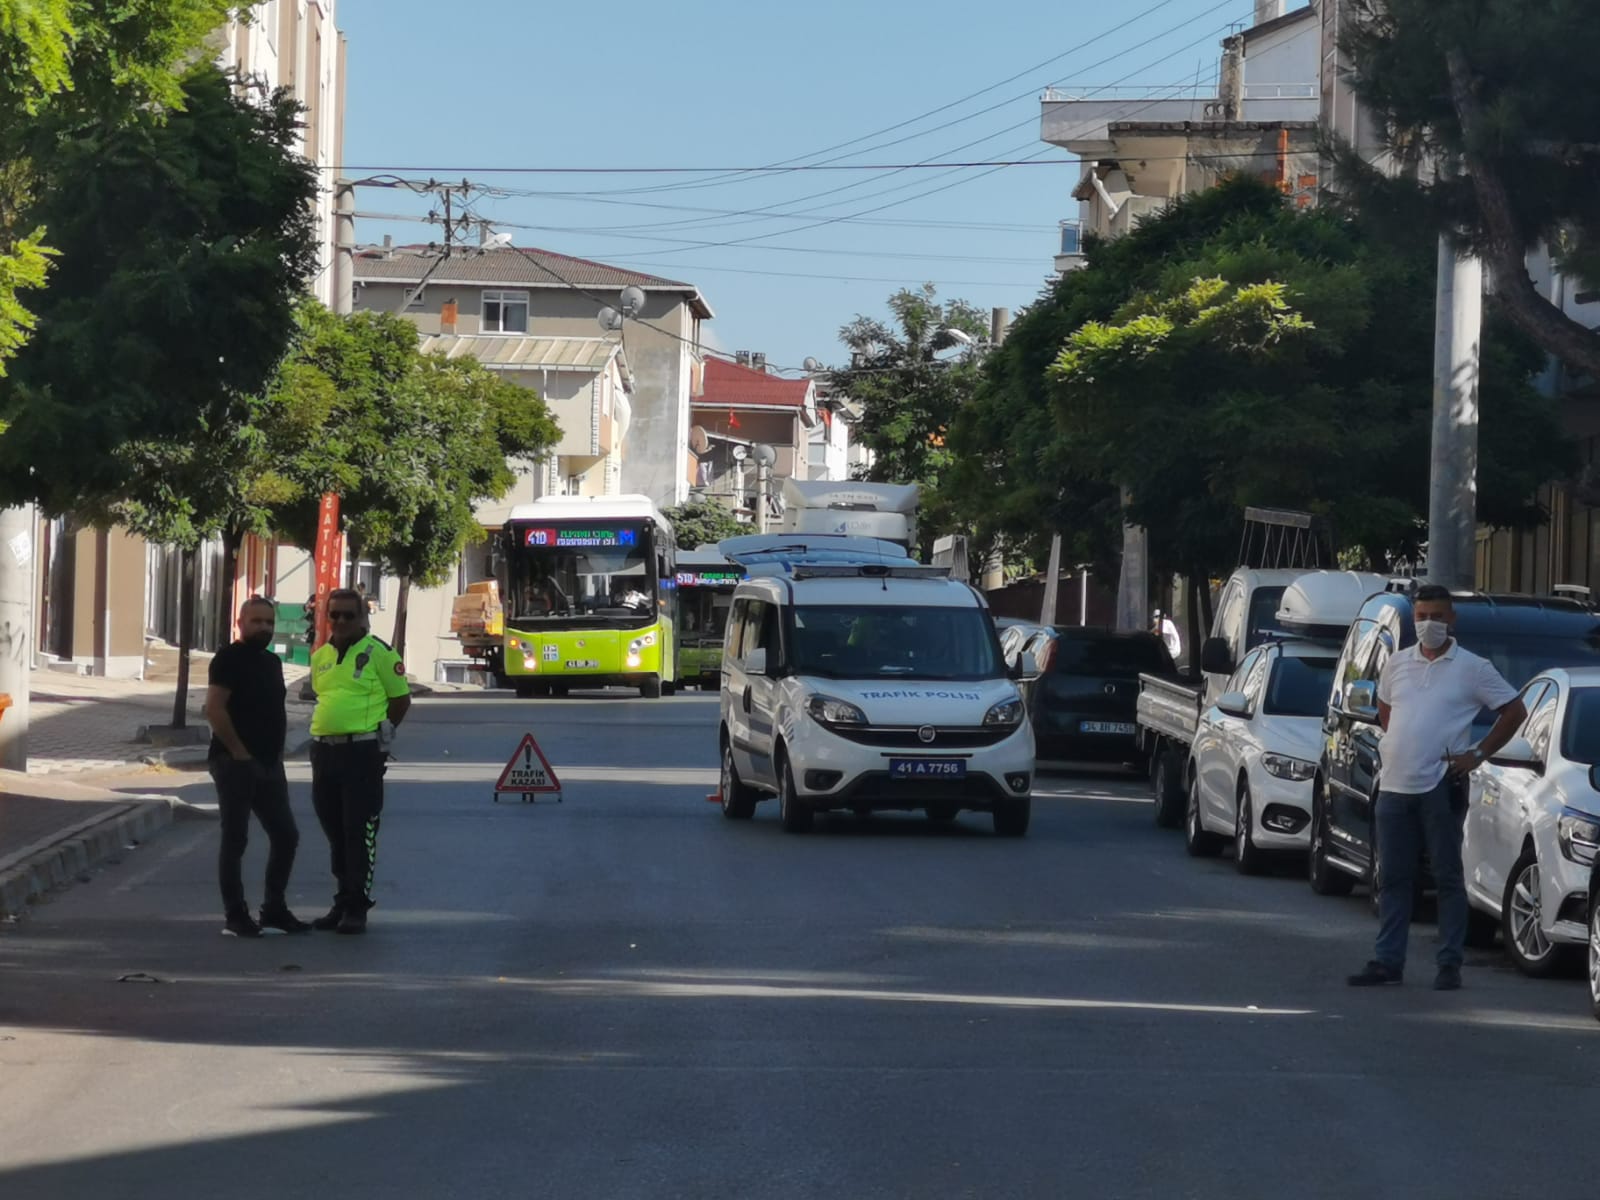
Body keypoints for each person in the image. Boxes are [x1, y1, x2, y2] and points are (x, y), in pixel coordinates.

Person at [1347, 585, 1526, 991]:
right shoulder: (1396, 664)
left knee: (1446, 876)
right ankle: (1388, 961)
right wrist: (1402, 748)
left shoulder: (1473, 668)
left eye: (1438, 616)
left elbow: (1514, 710)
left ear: (1452, 620)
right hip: (1393, 785)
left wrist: (1478, 753)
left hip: (1440, 785)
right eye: (1422, 616)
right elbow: (1386, 710)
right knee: (1393, 877)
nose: (1429, 624)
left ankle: (1449, 964)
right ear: (1414, 619)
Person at [308, 588, 412, 935]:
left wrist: (382, 736)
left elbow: (400, 699)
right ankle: (341, 900)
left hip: (362, 753)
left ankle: (357, 906)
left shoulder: (380, 653)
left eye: (347, 615)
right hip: (324, 751)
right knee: (334, 831)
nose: (339, 621)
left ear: (363, 617)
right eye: (333, 615)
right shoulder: (320, 656)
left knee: (359, 830)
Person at [204, 596, 309, 938]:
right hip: (235, 762)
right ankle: (236, 915)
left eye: (268, 622)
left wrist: (272, 756)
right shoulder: (228, 659)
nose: (264, 627)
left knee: (285, 834)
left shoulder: (271, 663)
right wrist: (238, 752)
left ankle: (274, 909)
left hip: (268, 763)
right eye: (256, 621)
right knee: (236, 838)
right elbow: (215, 708)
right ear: (241, 622)